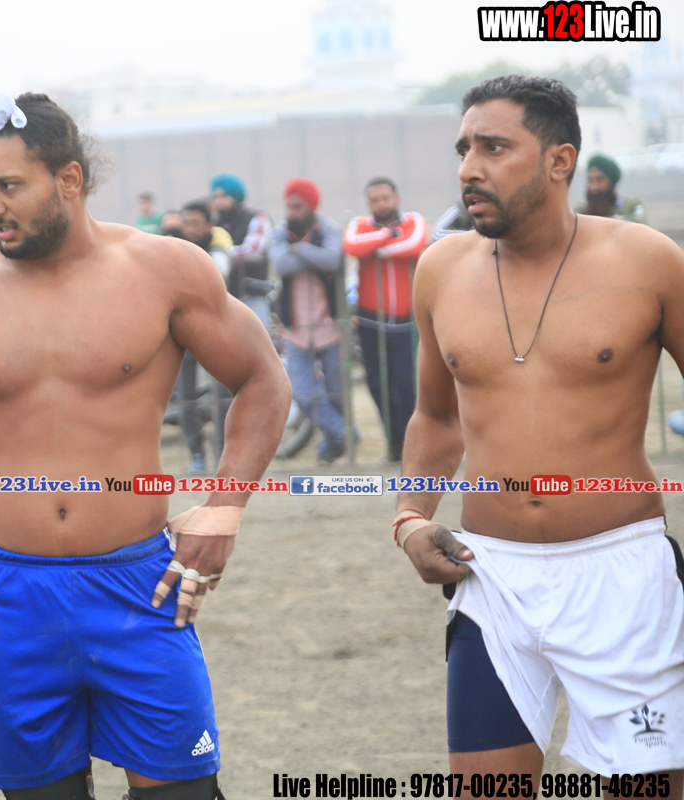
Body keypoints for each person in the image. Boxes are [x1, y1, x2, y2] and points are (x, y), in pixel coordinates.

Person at [0, 91, 288, 800]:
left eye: (9, 185)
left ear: (68, 180)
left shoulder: (165, 270)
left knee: (185, 795)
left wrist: (224, 508)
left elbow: (263, 379)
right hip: (11, 595)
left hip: (139, 584)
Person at [396, 75, 684, 794]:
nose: (469, 168)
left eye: (494, 147)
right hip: (491, 576)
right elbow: (436, 416)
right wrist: (409, 518)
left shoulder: (648, 261)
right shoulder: (439, 269)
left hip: (623, 577)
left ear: (560, 160)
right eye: (464, 149)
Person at [343, 177, 427, 462]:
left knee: (406, 385)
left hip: (406, 321)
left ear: (396, 198)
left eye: (385, 198)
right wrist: (389, 235)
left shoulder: (414, 221)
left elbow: (414, 245)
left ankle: (412, 445)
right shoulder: (359, 224)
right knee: (378, 386)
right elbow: (351, 246)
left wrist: (376, 247)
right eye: (375, 200)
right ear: (368, 203)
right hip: (370, 320)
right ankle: (394, 443)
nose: (381, 204)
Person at [270, 178, 348, 463]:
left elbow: (332, 260)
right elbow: (281, 264)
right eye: (289, 206)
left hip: (330, 326)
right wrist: (312, 255)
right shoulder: (280, 233)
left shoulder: (328, 229)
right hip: (294, 329)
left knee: (337, 394)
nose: (292, 211)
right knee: (302, 393)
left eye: (298, 206)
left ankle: (332, 445)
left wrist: (299, 249)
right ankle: (345, 434)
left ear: (311, 206)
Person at [177, 199, 234, 474]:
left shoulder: (218, 248)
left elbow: (218, 271)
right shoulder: (175, 246)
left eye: (196, 223)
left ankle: (223, 454)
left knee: (222, 396)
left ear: (209, 225)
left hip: (217, 331)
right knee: (185, 396)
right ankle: (196, 454)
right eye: (186, 223)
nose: (190, 229)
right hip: (182, 332)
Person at [209, 173, 272, 328]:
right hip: (222, 299)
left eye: (224, 196)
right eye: (215, 197)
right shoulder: (213, 222)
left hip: (252, 298)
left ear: (235, 197)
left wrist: (220, 255)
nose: (218, 201)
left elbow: (253, 250)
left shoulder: (257, 217)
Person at [576, 152, 647, 223]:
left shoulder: (633, 205)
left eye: (599, 180)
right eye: (590, 180)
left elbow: (640, 224)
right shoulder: (580, 210)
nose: (594, 187)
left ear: (611, 183)